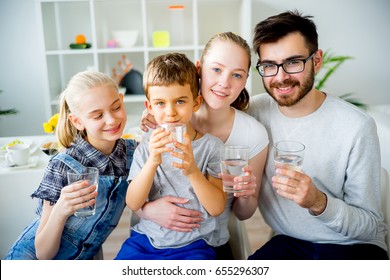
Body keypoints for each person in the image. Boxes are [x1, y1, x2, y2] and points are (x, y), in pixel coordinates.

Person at [246, 10, 388, 259]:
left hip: (353, 245)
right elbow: (201, 113)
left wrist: (317, 201)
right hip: (289, 243)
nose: (281, 77)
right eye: (269, 65)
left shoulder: (356, 126)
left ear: (317, 60)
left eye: (293, 62)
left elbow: (369, 226)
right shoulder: (254, 112)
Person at [139, 32, 269, 259]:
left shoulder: (253, 134)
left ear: (246, 79)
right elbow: (137, 188)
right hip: (155, 237)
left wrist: (246, 195)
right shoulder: (165, 119)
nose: (224, 83)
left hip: (207, 242)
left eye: (237, 75)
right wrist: (147, 210)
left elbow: (243, 214)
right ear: (199, 68)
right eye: (216, 70)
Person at [4, 71, 137, 260]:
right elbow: (43, 253)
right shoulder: (61, 165)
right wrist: (61, 209)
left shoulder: (132, 153)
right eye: (97, 115)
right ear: (77, 121)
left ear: (122, 100)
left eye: (116, 107)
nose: (111, 120)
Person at [115, 53, 226, 260]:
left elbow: (217, 208)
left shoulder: (211, 147)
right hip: (146, 240)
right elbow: (133, 202)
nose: (170, 112)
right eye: (160, 103)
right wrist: (152, 162)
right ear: (149, 107)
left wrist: (192, 170)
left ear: (195, 102)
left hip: (195, 244)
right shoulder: (147, 148)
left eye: (180, 101)